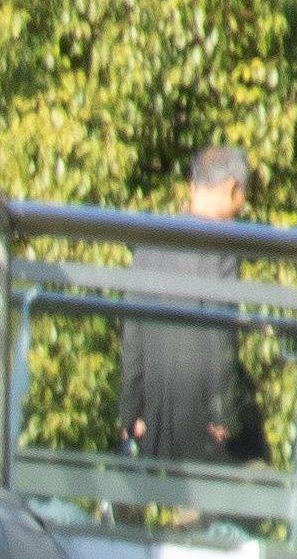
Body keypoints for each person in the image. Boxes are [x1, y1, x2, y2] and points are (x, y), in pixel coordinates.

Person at [112, 146, 265, 469]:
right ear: (230, 189)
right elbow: (220, 335)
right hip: (201, 421)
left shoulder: (151, 242)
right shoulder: (220, 247)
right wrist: (223, 412)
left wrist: (131, 412)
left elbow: (133, 336)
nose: (243, 204)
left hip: (153, 417)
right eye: (243, 194)